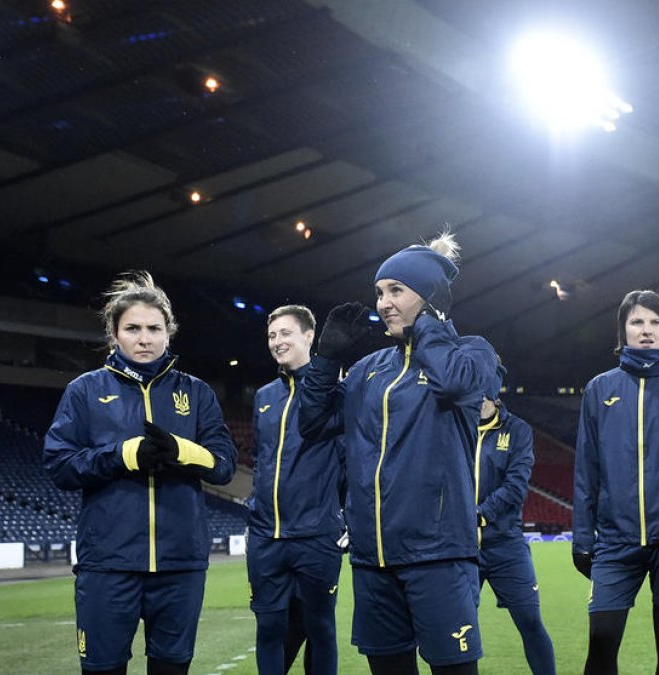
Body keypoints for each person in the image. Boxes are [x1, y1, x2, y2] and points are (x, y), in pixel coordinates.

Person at [298, 231, 497, 675]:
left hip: (439, 556)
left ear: (428, 296)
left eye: (397, 291)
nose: (383, 302)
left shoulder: (474, 354)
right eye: (379, 292)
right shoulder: (369, 369)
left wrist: (431, 322)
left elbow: (453, 383)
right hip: (372, 560)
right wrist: (326, 361)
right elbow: (311, 425)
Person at [44, 271, 237, 675]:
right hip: (108, 565)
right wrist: (123, 455)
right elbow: (59, 465)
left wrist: (182, 451)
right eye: (132, 328)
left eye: (154, 328)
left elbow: (224, 466)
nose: (144, 338)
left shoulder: (197, 393)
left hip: (180, 566)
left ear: (169, 333)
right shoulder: (84, 390)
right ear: (115, 334)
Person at [572, 289, 659, 675]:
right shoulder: (599, 389)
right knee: (602, 640)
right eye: (637, 321)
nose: (647, 330)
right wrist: (583, 539)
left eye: (656, 322)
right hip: (615, 541)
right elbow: (587, 470)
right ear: (623, 331)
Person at [247, 304, 346, 674]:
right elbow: (261, 458)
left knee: (320, 627)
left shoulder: (336, 393)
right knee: (269, 626)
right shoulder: (264, 396)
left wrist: (346, 513)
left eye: (285, 333)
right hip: (265, 536)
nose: (277, 342)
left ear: (309, 336)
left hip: (317, 534)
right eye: (272, 336)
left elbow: (348, 458)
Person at [473, 362, 556, 675]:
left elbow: (516, 485)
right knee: (458, 630)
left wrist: (481, 515)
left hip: (505, 544)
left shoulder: (517, 430)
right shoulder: (454, 424)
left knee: (530, 622)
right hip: (461, 548)